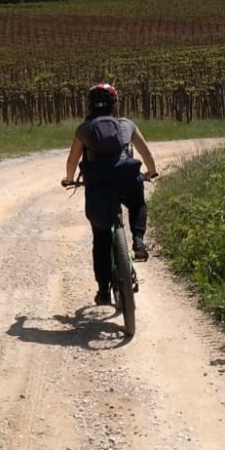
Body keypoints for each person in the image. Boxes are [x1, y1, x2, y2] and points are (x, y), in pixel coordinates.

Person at [61, 82, 158, 306]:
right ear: (115, 104)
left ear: (89, 106)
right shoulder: (127, 124)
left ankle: (103, 291)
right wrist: (151, 172)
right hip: (126, 178)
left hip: (97, 184)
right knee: (137, 203)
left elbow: (72, 161)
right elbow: (147, 153)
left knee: (101, 237)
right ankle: (139, 241)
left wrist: (68, 179)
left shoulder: (84, 129)